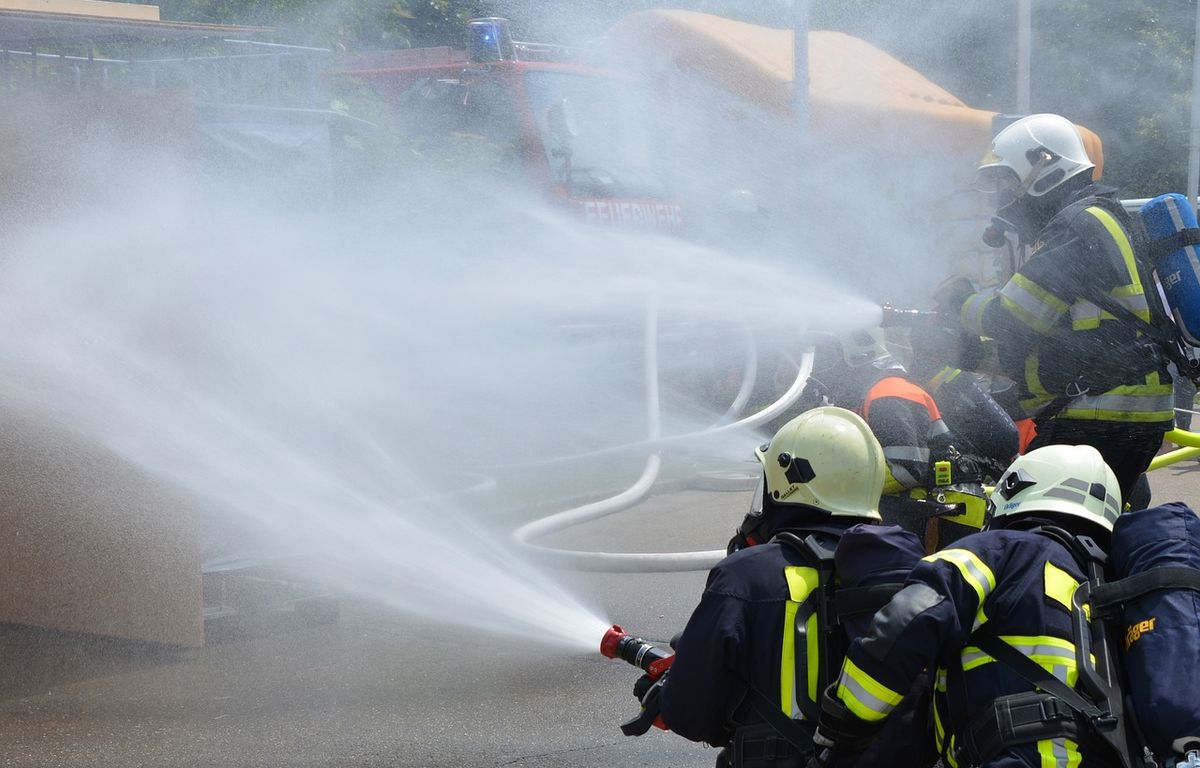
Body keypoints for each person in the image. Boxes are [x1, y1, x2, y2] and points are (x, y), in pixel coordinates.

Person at [810, 443, 1128, 767]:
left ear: (1015, 491)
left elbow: (907, 621)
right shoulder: (1117, 583)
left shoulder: (995, 550)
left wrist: (841, 730)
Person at [650, 406, 929, 767]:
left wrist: (668, 693)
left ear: (789, 484)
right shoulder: (915, 572)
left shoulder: (745, 578)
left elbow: (689, 714)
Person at [941, 113, 1174, 505]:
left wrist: (958, 301)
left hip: (1101, 417)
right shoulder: (1092, 219)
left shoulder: (1079, 227)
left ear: (1045, 167)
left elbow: (1010, 319)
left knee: (1032, 517)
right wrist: (968, 354)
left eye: (1010, 180)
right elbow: (1065, 341)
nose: (1006, 195)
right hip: (1111, 411)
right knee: (1098, 530)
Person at [754, 327, 987, 548]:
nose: (822, 369)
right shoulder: (868, 394)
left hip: (948, 511)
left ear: (858, 355)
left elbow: (905, 470)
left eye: (829, 359)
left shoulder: (888, 394)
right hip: (927, 504)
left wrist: (835, 484)